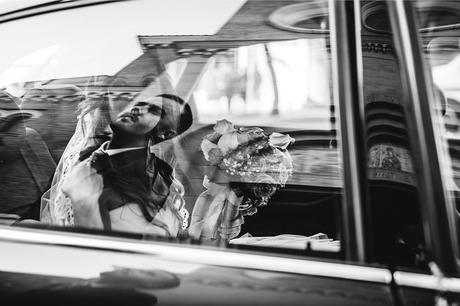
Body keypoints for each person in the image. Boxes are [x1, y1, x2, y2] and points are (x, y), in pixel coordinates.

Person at [59, 94, 192, 236]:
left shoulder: (163, 173)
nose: (136, 108)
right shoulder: (88, 174)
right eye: (139, 103)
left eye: (154, 110)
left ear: (165, 133)